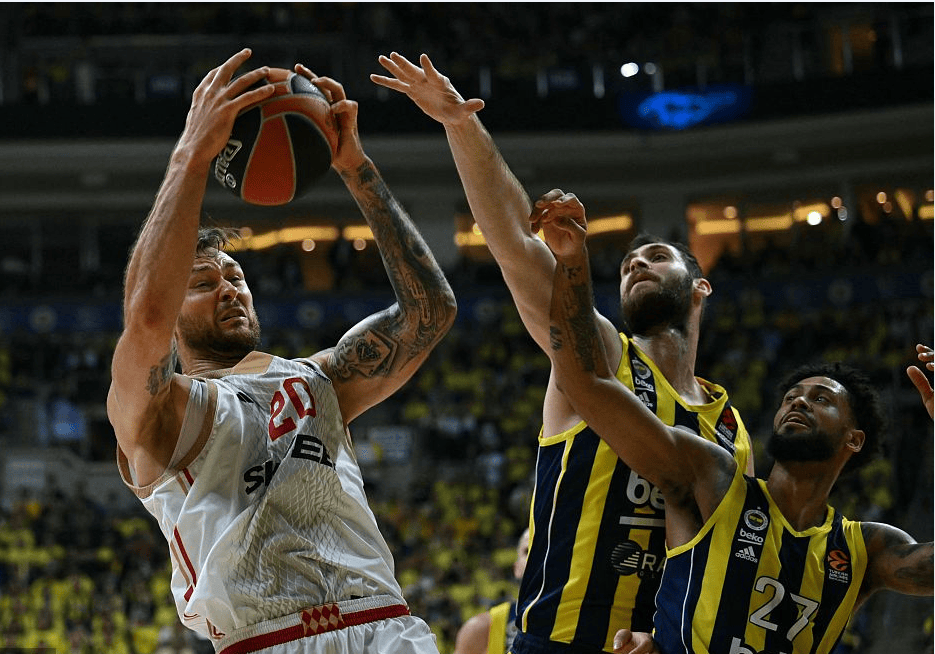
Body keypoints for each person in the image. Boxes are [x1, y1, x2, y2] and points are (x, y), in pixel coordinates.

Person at [371, 55, 753, 654]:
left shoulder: (732, 429)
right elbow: (516, 243)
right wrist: (461, 124)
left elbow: (730, 560)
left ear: (700, 287)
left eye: (656, 257)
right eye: (627, 263)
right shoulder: (598, 352)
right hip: (560, 642)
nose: (636, 264)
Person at [107, 49, 456, 654]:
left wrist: (356, 167)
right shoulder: (158, 411)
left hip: (384, 625)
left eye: (236, 276)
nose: (229, 289)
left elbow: (431, 311)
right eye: (204, 282)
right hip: (268, 637)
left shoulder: (320, 381)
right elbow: (146, 318)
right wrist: (192, 156)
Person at [539, 198, 934, 654]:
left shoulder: (864, 550)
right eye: (791, 397)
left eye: (821, 399)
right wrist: (572, 263)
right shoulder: (711, 478)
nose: (799, 402)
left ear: (854, 439)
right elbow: (586, 383)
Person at [454, 529, 530, 654]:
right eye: (527, 551)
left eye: (544, 550)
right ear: (516, 568)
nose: (536, 557)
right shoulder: (481, 629)